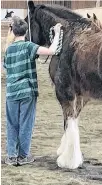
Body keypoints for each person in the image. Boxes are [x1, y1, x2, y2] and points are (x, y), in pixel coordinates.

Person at [3, 16, 62, 166]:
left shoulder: (8, 50)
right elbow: (52, 51)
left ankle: (11, 156)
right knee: (26, 123)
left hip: (11, 93)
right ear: (26, 31)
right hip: (27, 91)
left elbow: (5, 67)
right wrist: (57, 33)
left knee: (12, 124)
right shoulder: (29, 46)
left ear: (12, 31)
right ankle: (23, 156)